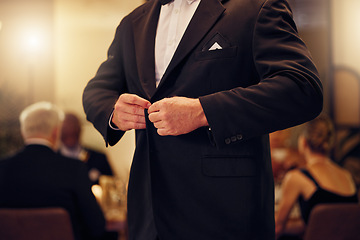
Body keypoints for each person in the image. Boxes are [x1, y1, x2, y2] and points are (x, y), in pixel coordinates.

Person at [82, 0, 323, 239]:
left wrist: (202, 111)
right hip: (148, 218)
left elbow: (303, 88)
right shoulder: (132, 23)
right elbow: (96, 92)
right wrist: (114, 112)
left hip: (226, 215)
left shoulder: (258, 7)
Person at [0, 102, 106, 240]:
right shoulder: (74, 169)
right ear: (56, 132)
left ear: (23, 132)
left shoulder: (2, 167)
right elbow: (97, 226)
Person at [275, 115, 358, 239]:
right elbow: (327, 224)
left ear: (303, 142)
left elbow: (278, 228)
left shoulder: (297, 177)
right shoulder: (347, 176)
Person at [60, 112, 114, 185]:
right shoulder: (52, 160)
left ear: (79, 129)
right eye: (65, 128)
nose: (70, 131)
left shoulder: (99, 158)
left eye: (73, 127)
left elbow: (111, 184)